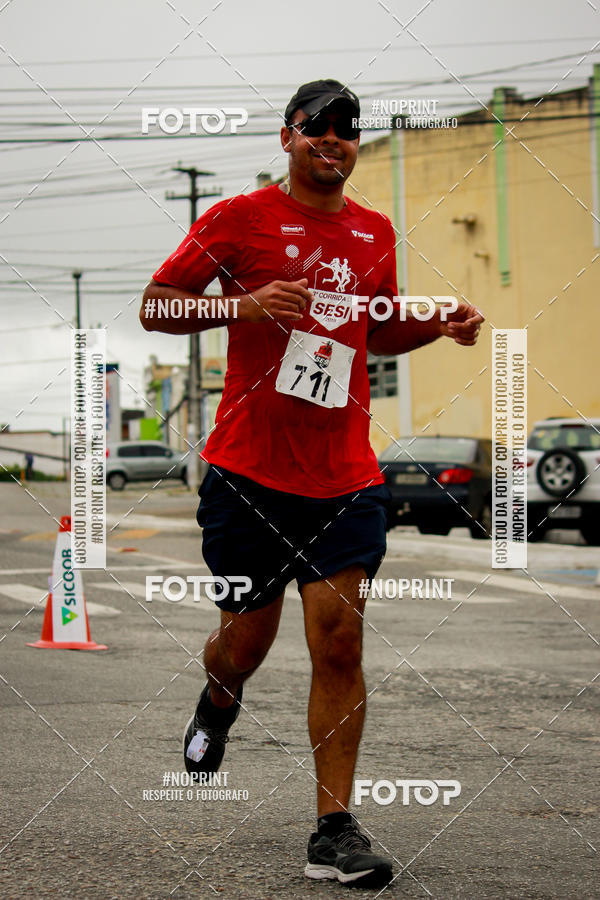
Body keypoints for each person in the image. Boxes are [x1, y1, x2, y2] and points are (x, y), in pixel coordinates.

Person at [141, 78, 483, 888]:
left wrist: (435, 323)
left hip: (344, 475)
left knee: (340, 639)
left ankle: (333, 829)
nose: (335, 139)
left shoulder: (373, 231)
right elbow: (158, 306)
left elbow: (378, 327)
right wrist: (245, 306)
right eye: (318, 127)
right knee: (244, 645)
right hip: (249, 472)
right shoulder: (237, 218)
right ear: (289, 137)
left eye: (348, 129)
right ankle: (217, 700)